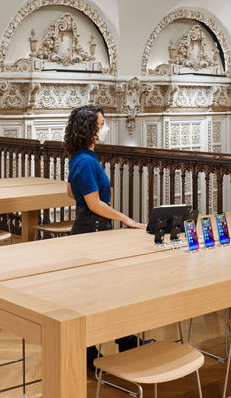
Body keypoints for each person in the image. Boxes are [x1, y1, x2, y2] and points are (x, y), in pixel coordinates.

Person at [63, 105, 146, 371]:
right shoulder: (87, 161)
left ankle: (120, 344)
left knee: (101, 292)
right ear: (90, 129)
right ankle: (99, 351)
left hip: (87, 228)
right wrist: (125, 219)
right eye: (101, 124)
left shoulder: (79, 156)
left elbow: (70, 192)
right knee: (101, 293)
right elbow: (95, 203)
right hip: (93, 231)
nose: (104, 128)